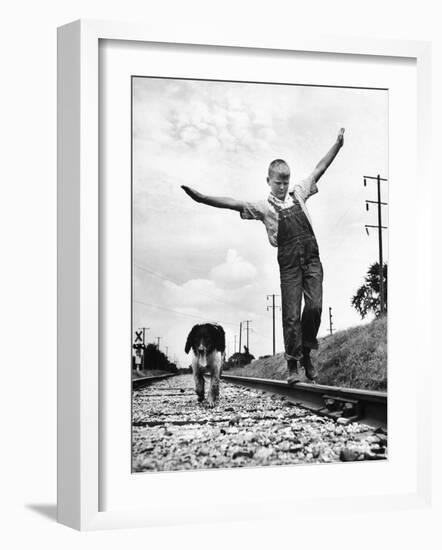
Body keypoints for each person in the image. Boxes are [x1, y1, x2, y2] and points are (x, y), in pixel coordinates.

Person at [182, 128, 345, 384]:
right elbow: (232, 202)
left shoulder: (299, 193)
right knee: (291, 314)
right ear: (268, 180)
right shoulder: (263, 207)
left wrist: (337, 145)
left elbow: (319, 168)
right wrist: (202, 198)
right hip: (289, 264)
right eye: (278, 182)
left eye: (286, 181)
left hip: (312, 258)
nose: (282, 186)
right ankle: (293, 365)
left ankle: (305, 350)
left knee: (314, 307)